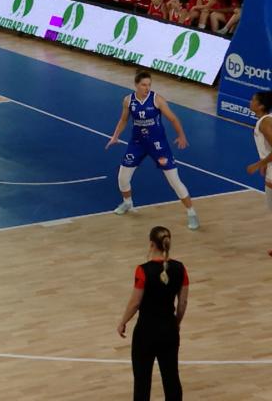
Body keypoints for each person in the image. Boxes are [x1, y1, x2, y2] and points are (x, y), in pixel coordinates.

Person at [107, 71, 198, 230]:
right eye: (144, 85)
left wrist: (181, 135)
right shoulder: (128, 100)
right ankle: (128, 203)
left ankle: (191, 213)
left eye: (149, 85)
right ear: (136, 85)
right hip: (137, 144)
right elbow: (123, 120)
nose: (147, 88)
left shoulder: (157, 99)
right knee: (122, 177)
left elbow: (173, 118)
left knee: (174, 181)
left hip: (158, 145)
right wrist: (115, 136)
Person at [117, 226, 188, 401]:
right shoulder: (180, 268)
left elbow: (135, 303)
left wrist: (122, 321)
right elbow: (183, 302)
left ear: (151, 244)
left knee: (142, 381)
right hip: (169, 330)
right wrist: (176, 323)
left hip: (146, 332)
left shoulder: (143, 270)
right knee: (171, 378)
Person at [245, 90, 272, 256]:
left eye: (253, 100)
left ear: (260, 105)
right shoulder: (264, 121)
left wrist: (258, 164)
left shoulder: (265, 123)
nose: (250, 101)